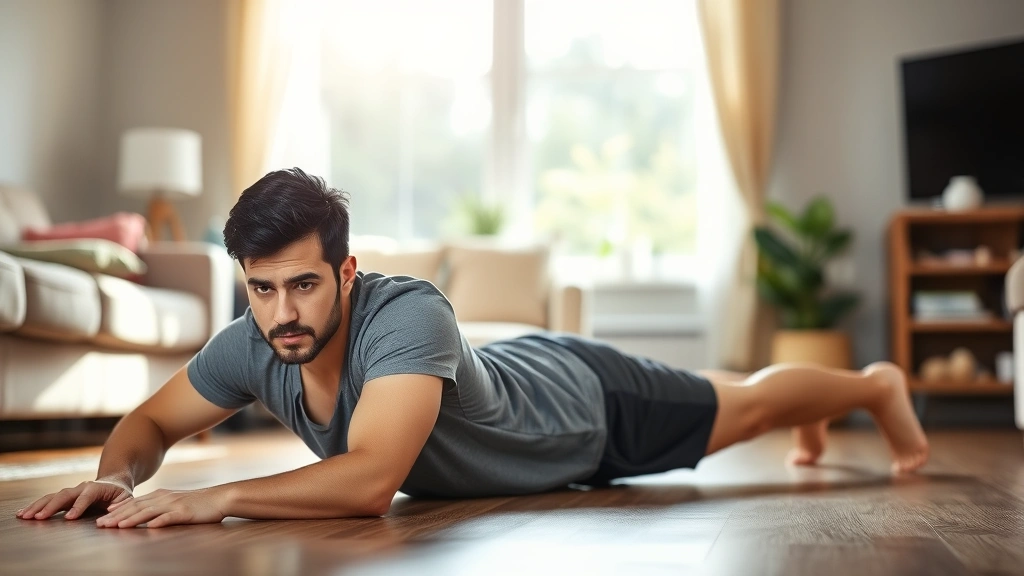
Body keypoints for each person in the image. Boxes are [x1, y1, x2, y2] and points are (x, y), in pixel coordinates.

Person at [15, 168, 929, 529]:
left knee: (756, 405)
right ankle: (848, 396)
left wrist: (213, 500)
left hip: (588, 409)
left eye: (304, 284)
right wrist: (121, 478)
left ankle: (874, 384)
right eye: (261, 288)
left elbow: (372, 481)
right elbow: (146, 422)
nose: (282, 312)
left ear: (347, 271)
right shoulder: (253, 339)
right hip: (540, 406)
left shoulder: (408, 316)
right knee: (755, 403)